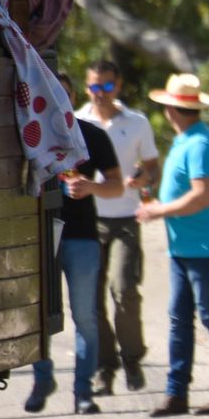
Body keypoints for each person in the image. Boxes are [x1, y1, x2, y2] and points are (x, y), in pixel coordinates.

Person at [136, 73, 209, 417]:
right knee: (180, 318)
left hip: (206, 245)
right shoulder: (187, 140)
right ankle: (176, 393)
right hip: (186, 246)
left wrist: (159, 210)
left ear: (171, 109)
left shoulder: (200, 144)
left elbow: (201, 196)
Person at [24, 72, 125, 415]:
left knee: (85, 316)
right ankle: (42, 379)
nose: (58, 101)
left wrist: (91, 187)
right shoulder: (30, 133)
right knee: (37, 314)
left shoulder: (92, 135)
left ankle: (84, 391)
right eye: (51, 94)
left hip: (81, 235)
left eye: (63, 94)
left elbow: (117, 185)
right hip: (39, 235)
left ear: (71, 99)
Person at [77, 60, 159, 396]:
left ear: (118, 86)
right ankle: (105, 367)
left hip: (125, 217)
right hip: (90, 219)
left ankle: (132, 358)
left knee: (124, 290)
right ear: (87, 88)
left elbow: (153, 167)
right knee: (93, 299)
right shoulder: (78, 122)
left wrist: (144, 179)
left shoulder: (137, 122)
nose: (101, 93)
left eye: (107, 86)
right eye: (95, 87)